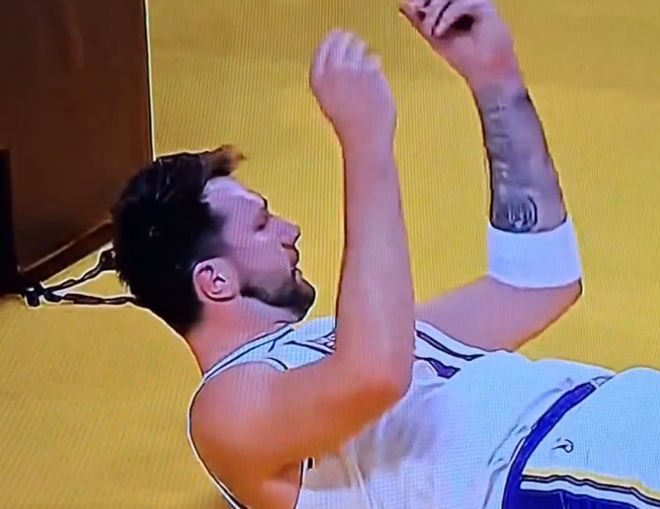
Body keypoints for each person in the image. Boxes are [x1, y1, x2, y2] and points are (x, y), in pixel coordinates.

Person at [111, 0, 660, 508]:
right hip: (558, 472)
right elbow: (373, 375)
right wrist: (366, 142)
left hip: (613, 419)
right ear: (215, 281)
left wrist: (494, 77)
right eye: (261, 224)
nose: (290, 230)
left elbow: (538, 282)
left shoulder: (340, 343)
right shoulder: (223, 410)